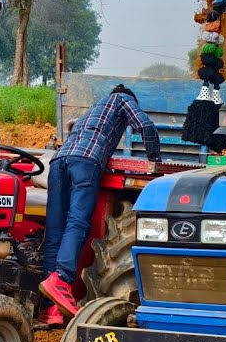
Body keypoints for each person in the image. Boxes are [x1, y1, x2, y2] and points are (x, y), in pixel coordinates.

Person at [39, 84, 160, 326]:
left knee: (55, 230)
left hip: (59, 161)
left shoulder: (93, 110)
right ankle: (61, 280)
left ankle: (52, 309)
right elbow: (145, 125)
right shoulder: (121, 99)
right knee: (77, 223)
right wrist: (155, 159)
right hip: (85, 162)